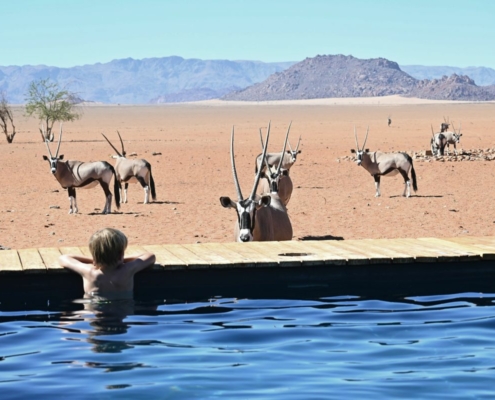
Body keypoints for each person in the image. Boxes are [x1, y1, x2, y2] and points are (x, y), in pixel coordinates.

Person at [59, 228, 156, 299]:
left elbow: (63, 258)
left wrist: (95, 260)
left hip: (92, 313)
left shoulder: (89, 272)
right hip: (122, 311)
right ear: (121, 254)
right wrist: (122, 260)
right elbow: (150, 256)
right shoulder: (127, 269)